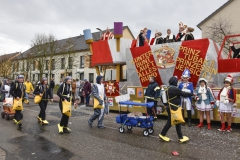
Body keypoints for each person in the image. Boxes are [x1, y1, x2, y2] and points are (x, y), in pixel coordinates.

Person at [159, 76, 194, 143]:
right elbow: (183, 94)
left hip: (169, 107)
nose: (177, 82)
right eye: (177, 81)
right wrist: (192, 94)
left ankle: (179, 137)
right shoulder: (175, 89)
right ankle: (163, 134)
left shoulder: (167, 88)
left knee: (176, 121)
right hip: (174, 108)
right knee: (171, 122)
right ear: (174, 82)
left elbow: (162, 98)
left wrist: (166, 105)